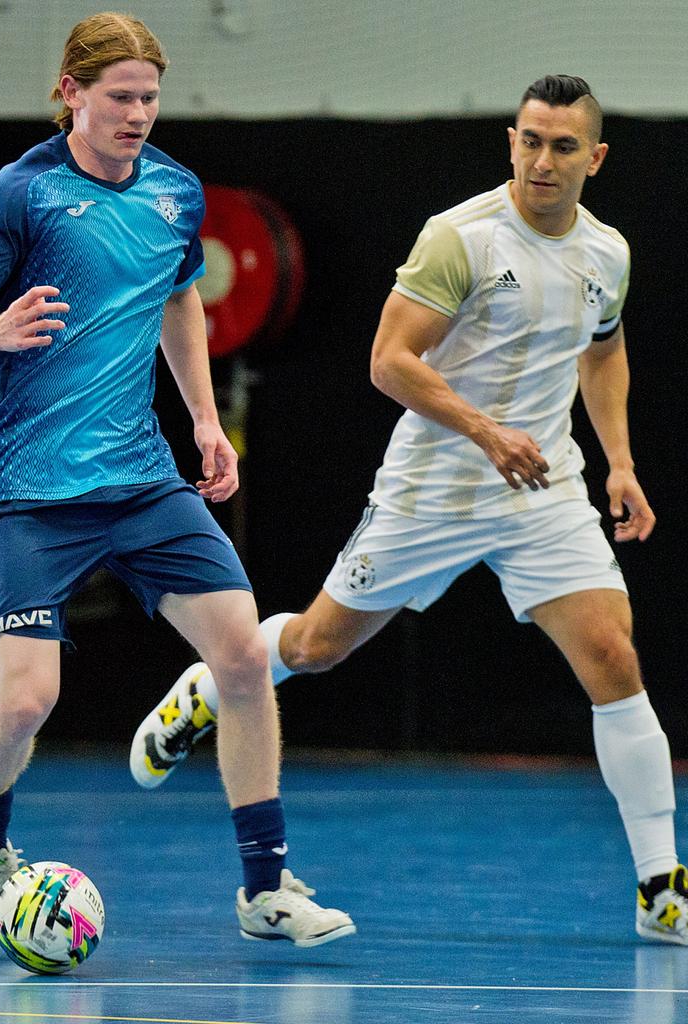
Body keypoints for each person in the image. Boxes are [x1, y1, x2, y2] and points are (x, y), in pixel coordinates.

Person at [130, 74, 688, 946]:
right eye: (531, 141)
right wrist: (483, 429)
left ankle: (664, 888)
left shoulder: (606, 253)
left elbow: (603, 355)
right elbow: (389, 361)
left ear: (597, 158)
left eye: (564, 146)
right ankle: (212, 681)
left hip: (543, 490)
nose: (544, 161)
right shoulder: (459, 239)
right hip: (434, 487)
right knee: (317, 646)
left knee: (614, 656)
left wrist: (619, 462)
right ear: (511, 142)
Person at [0, 11, 354, 949]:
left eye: (150, 98)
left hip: (142, 480)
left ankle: (265, 889)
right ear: (70, 94)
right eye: (120, 97)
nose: (138, 115)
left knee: (242, 656)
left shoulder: (174, 192)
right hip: (31, 493)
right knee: (26, 700)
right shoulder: (20, 196)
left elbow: (179, 293)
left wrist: (201, 417)